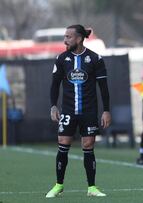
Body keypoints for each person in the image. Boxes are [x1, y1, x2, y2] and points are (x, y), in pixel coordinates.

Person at [46, 24, 111, 198]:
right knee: (63, 144)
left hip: (88, 111)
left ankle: (92, 188)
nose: (65, 40)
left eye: (68, 37)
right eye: (65, 36)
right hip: (68, 111)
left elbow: (103, 87)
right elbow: (54, 85)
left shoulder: (95, 59)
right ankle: (59, 185)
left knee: (88, 146)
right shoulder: (61, 58)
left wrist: (106, 111)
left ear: (79, 38)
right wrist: (53, 106)